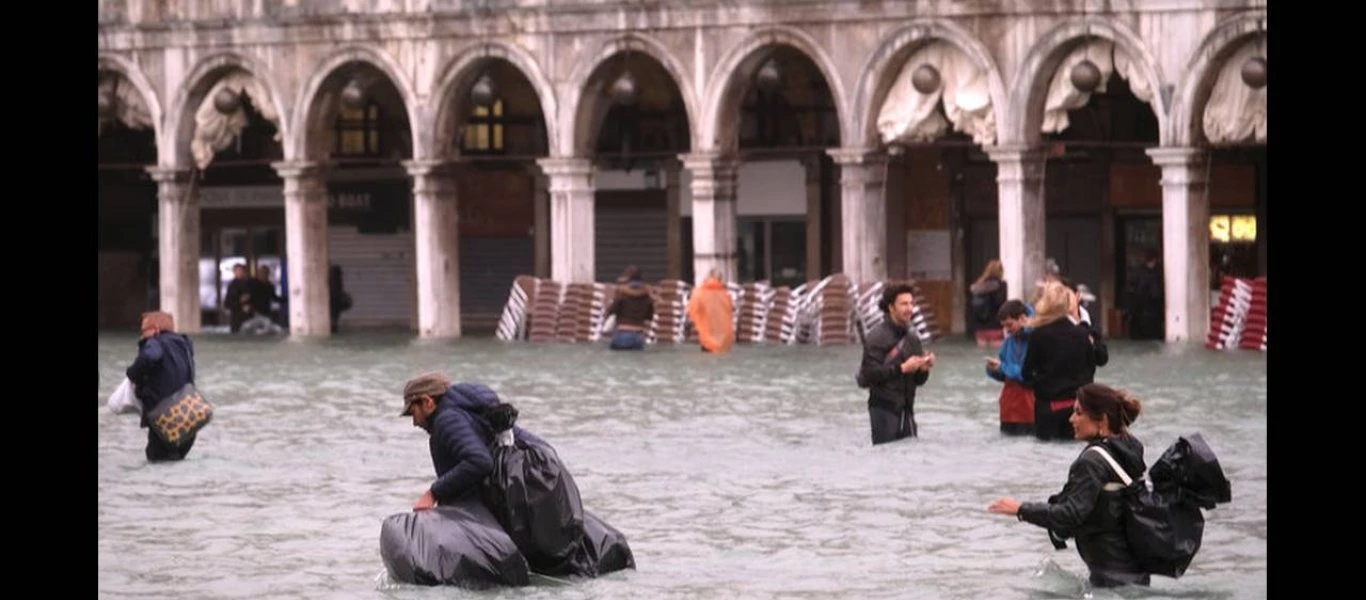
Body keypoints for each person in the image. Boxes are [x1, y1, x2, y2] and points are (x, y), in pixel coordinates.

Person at [988, 382, 1150, 589]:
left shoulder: (1092, 462)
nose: (1071, 419)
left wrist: (1021, 509)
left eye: (1079, 413)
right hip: (1135, 573)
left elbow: (1071, 514)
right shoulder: (1127, 450)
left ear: (1102, 420)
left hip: (1111, 580)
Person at [401, 372, 550, 510]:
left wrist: (433, 493)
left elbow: (480, 461)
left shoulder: (447, 420)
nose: (414, 422)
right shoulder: (469, 411)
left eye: (413, 413)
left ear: (427, 402)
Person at [1021, 281, 1103, 441]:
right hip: (1077, 408)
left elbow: (1026, 373)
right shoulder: (1082, 334)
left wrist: (1041, 386)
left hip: (1048, 407)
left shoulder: (1038, 335)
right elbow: (1091, 368)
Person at [856, 282, 936, 446]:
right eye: (904, 304)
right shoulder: (876, 337)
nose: (909, 308)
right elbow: (870, 374)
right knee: (886, 456)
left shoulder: (913, 338)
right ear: (891, 307)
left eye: (911, 303)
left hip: (907, 410)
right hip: (883, 410)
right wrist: (902, 368)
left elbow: (918, 381)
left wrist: (924, 369)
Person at [125, 311, 200, 461]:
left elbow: (150, 356)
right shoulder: (185, 344)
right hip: (189, 418)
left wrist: (132, 374)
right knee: (177, 463)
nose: (142, 335)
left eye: (144, 330)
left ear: (155, 329)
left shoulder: (156, 342)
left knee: (157, 462)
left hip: (166, 420)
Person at [986, 299, 1034, 436]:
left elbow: (1030, 374)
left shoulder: (1036, 339)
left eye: (1009, 324)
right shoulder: (1008, 342)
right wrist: (994, 370)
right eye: (1004, 326)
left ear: (1022, 318)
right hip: (1008, 407)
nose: (1007, 329)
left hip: (1029, 406)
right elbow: (1005, 372)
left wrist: (1002, 367)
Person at [603, 265, 654, 350]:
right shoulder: (647, 296)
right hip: (638, 337)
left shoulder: (621, 294)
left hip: (622, 334)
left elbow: (611, 310)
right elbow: (649, 317)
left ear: (627, 277)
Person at [685, 269, 735, 354]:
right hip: (726, 340)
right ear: (720, 279)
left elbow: (691, 311)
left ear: (707, 277)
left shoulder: (699, 293)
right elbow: (730, 311)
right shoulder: (726, 294)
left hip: (708, 340)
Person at [969, 259, 1008, 348]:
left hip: (979, 327)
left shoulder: (978, 286)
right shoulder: (1001, 285)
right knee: (996, 354)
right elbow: (1001, 304)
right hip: (995, 326)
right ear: (1000, 271)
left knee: (982, 354)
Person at [1126, 250, 1164, 340]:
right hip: (1148, 306)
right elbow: (1155, 292)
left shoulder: (1139, 271)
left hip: (1140, 306)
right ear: (1154, 260)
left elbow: (1132, 285)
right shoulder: (1154, 273)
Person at [224, 263, 254, 333]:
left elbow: (255, 298)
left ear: (244, 272)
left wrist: (250, 305)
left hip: (248, 316)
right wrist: (240, 301)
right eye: (237, 271)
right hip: (236, 317)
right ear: (234, 272)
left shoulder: (249, 283)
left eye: (241, 270)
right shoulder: (232, 285)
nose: (239, 272)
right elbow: (227, 303)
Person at [329, 264, 353, 334]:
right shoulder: (336, 281)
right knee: (334, 313)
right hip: (335, 299)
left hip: (334, 299)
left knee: (334, 312)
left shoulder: (336, 282)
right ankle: (333, 325)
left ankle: (333, 325)